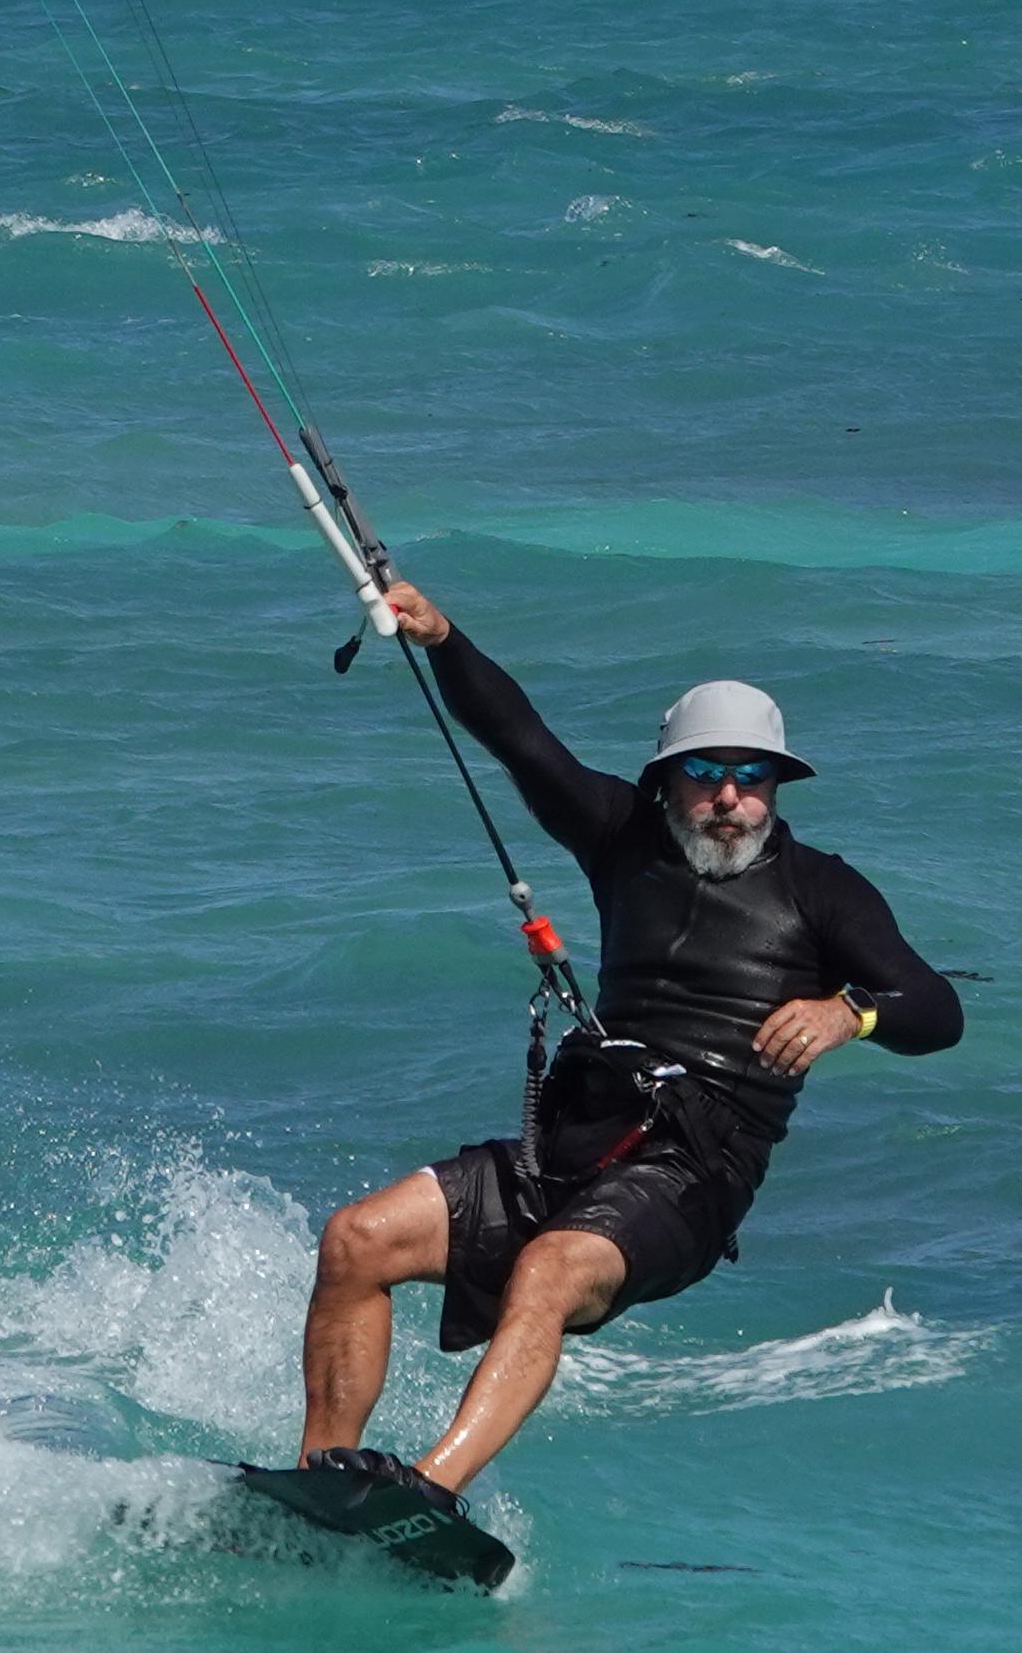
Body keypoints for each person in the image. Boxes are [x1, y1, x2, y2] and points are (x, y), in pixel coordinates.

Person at [297, 580, 963, 1514]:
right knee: (356, 1239)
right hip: (579, 1142)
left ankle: (429, 1491)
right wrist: (444, 637)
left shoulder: (824, 892)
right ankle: (319, 1482)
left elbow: (935, 1007)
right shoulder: (622, 839)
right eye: (706, 773)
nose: (729, 798)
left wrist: (849, 1014)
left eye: (752, 776)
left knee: (550, 1271)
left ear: (775, 787)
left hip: (696, 1171)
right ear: (666, 777)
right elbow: (519, 739)